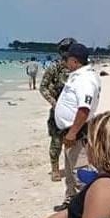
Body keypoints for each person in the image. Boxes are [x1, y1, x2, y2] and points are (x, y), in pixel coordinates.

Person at [52, 42, 101, 211]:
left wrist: (72, 133)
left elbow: (84, 109)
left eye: (66, 59)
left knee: (81, 171)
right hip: (70, 131)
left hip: (78, 132)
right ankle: (70, 202)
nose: (65, 63)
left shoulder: (85, 79)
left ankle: (88, 208)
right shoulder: (78, 76)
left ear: (74, 61)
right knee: (70, 170)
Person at [40, 38, 75, 183]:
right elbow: (43, 87)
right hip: (58, 112)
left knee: (75, 141)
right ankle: (55, 169)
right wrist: (55, 104)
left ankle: (73, 168)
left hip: (74, 111)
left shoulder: (78, 68)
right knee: (56, 142)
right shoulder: (54, 68)